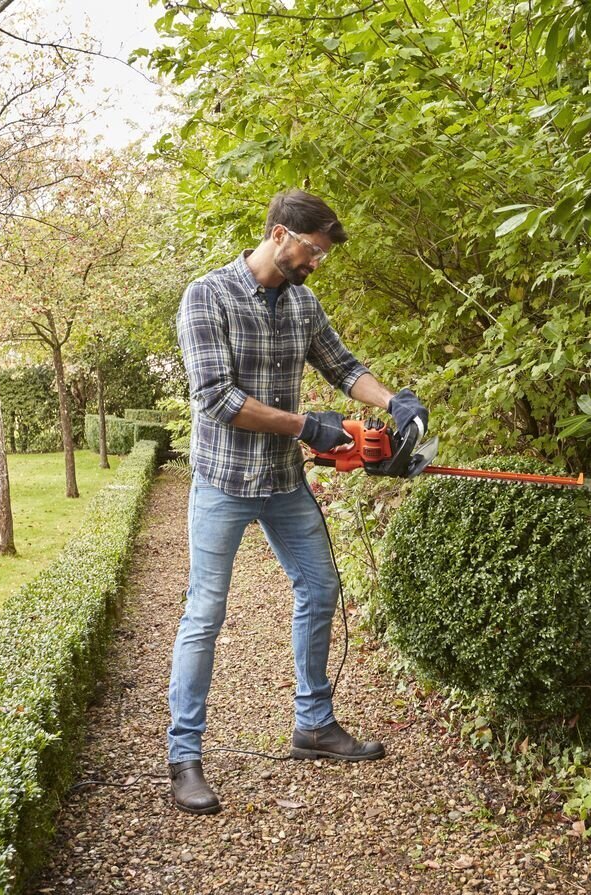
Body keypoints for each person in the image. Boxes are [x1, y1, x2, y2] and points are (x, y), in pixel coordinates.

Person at [167, 189, 429, 815]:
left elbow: (343, 367)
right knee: (205, 614)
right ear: (280, 235)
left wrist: (392, 401)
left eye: (322, 256)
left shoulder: (304, 303)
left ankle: (313, 724)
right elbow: (215, 400)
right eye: (313, 251)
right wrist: (307, 426)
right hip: (223, 483)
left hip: (284, 482)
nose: (317, 264)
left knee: (320, 587)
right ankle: (184, 756)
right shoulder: (207, 296)